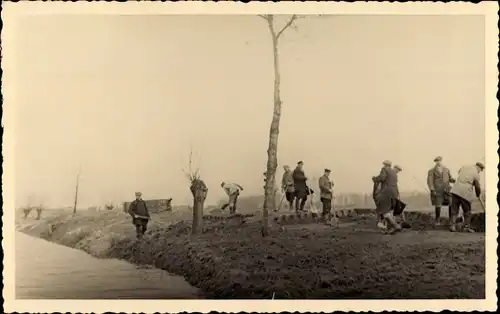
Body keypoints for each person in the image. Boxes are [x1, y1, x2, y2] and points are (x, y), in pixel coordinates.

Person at [449, 162, 484, 232]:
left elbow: (460, 172)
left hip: (455, 189)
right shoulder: (476, 174)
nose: (479, 172)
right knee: (467, 210)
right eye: (480, 170)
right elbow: (477, 187)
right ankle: (466, 227)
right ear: (479, 168)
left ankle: (452, 226)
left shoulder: (464, 166)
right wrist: (478, 194)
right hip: (465, 192)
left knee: (454, 209)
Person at [372, 160, 401, 234]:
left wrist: (375, 179)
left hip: (386, 192)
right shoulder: (394, 173)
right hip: (394, 193)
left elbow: (382, 178)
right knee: (389, 210)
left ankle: (395, 226)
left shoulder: (384, 169)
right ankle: (391, 228)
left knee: (384, 210)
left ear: (385, 165)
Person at [427, 156, 456, 226]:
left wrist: (453, 180)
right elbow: (429, 181)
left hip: (447, 190)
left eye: (440, 161)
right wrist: (432, 189)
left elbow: (450, 178)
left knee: (451, 203)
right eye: (437, 161)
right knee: (438, 205)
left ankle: (451, 221)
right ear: (435, 162)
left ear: (442, 161)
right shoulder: (431, 171)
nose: (438, 162)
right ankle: (437, 221)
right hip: (437, 190)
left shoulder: (446, 169)